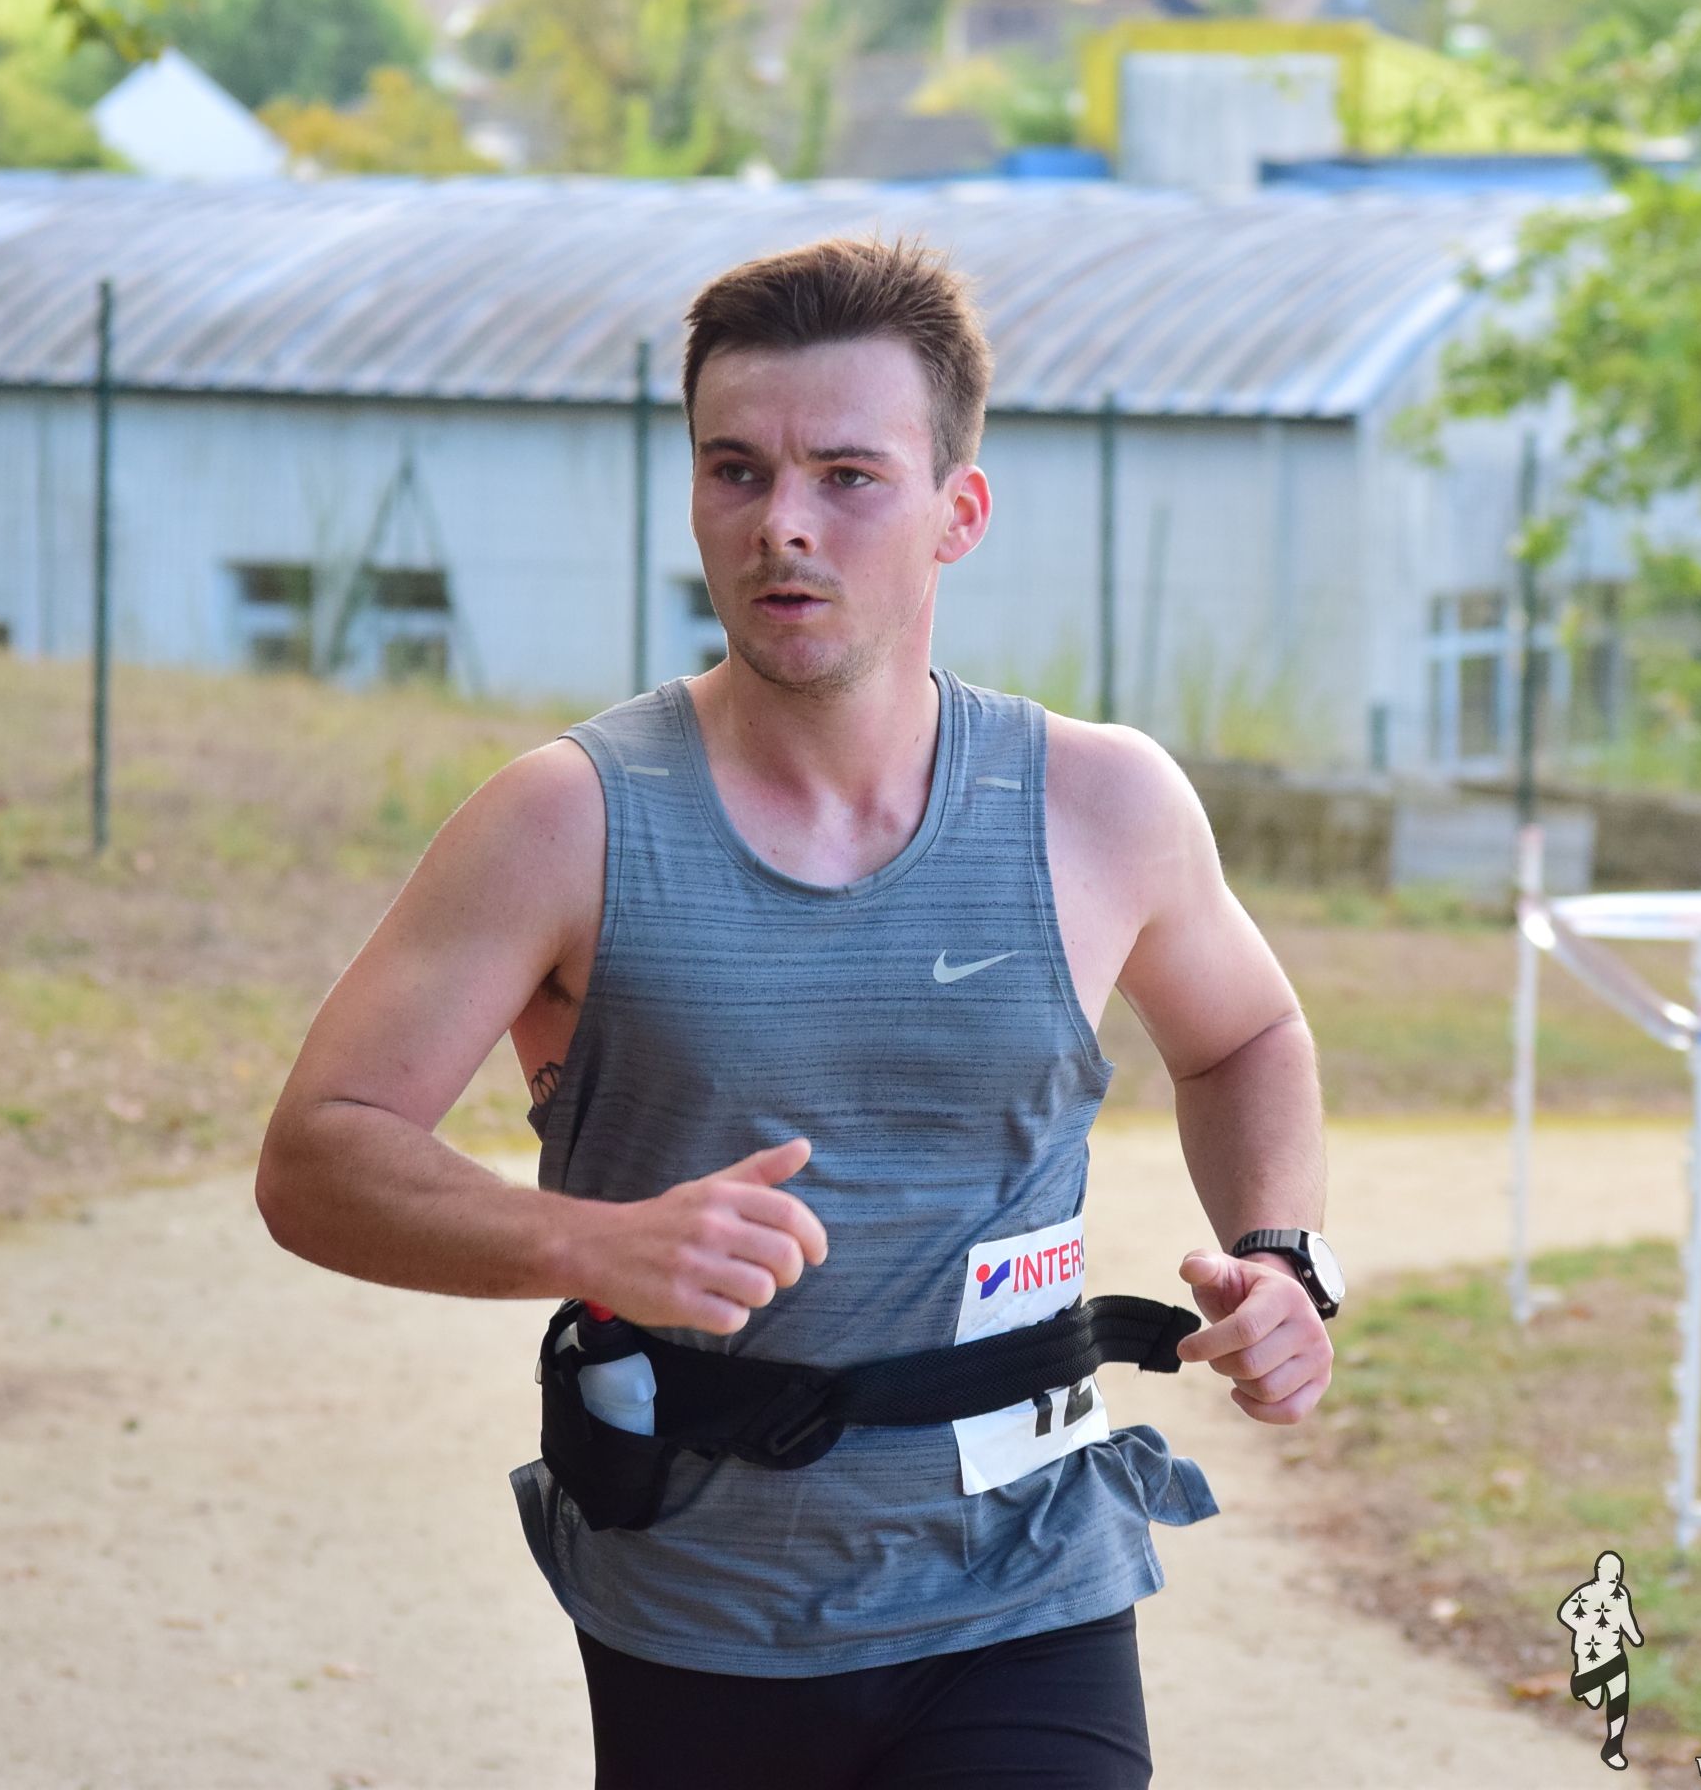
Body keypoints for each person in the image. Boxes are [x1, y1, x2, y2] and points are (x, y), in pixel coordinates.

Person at [255, 234, 1336, 1788]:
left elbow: (1245, 1037)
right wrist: (587, 1244)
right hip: (700, 1606)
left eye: (848, 476)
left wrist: (1283, 1255)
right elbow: (318, 1156)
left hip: (1030, 1581)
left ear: (959, 510)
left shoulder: (1101, 805)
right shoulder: (566, 823)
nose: (784, 525)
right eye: (737, 472)